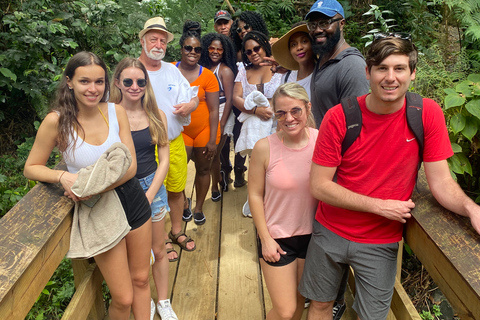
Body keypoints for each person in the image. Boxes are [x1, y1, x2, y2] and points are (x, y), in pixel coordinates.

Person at [299, 33, 480, 320]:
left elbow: (442, 182)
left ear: (413, 74)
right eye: (382, 68)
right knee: (320, 305)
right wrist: (379, 205)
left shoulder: (425, 113)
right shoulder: (340, 116)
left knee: (372, 316)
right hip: (330, 230)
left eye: (399, 68)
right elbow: (319, 186)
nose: (390, 77)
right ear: (368, 72)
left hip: (380, 240)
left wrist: (471, 209)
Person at [24, 51, 152, 320]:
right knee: (122, 297)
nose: (93, 89)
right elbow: (31, 167)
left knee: (141, 279)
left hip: (132, 200)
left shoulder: (115, 112)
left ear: (107, 83)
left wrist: (90, 187)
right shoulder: (57, 122)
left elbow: (130, 167)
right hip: (100, 212)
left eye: (99, 82)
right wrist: (62, 177)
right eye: (84, 81)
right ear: (69, 81)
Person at [110, 57, 178, 320]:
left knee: (158, 249)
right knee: (133, 255)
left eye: (140, 81)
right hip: (122, 190)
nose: (134, 86)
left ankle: (163, 300)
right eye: (128, 81)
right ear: (118, 82)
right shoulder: (110, 114)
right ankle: (143, 299)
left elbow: (164, 158)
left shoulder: (155, 114)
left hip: (152, 185)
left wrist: (150, 195)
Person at [249, 83, 318, 320]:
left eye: (295, 111)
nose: (288, 118)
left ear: (307, 108)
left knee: (299, 303)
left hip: (313, 236)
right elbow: (255, 195)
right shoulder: (264, 148)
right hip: (278, 236)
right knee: (286, 310)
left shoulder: (322, 142)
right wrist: (265, 238)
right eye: (281, 113)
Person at [138, 17, 199, 262]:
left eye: (163, 40)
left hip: (173, 142)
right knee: (155, 192)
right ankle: (159, 239)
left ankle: (175, 231)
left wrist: (190, 105)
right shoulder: (134, 71)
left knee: (176, 189)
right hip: (146, 146)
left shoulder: (172, 70)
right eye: (153, 39)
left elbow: (192, 96)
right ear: (142, 41)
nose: (158, 44)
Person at [174, 21, 220, 225]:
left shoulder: (208, 76)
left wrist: (212, 140)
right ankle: (183, 202)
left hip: (204, 129)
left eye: (197, 49)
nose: (193, 52)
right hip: (178, 130)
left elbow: (213, 109)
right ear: (181, 49)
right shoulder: (170, 71)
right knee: (177, 170)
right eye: (188, 48)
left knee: (203, 169)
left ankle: (198, 207)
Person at [233, 30, 282, 217]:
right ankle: (256, 201)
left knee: (276, 164)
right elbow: (236, 98)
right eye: (248, 51)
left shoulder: (279, 66)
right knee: (256, 164)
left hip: (279, 122)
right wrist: (255, 110)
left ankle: (275, 202)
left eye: (257, 48)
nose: (253, 53)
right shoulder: (243, 72)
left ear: (264, 46)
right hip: (255, 125)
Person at [306, 0, 370, 126]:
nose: (317, 30)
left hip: (335, 145)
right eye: (313, 25)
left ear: (341, 24)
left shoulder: (352, 66)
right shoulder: (323, 57)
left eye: (325, 23)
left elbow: (354, 124)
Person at [199, 32, 237, 201]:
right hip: (207, 112)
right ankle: (219, 179)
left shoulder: (225, 71)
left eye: (219, 49)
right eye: (212, 48)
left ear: (224, 51)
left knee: (213, 152)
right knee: (211, 152)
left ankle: (215, 186)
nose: (215, 51)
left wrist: (222, 124)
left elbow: (229, 100)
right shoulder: (204, 68)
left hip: (222, 113)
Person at [271, 22, 315, 99]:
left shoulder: (322, 76)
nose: (299, 47)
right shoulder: (287, 78)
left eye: (304, 41)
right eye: (293, 44)